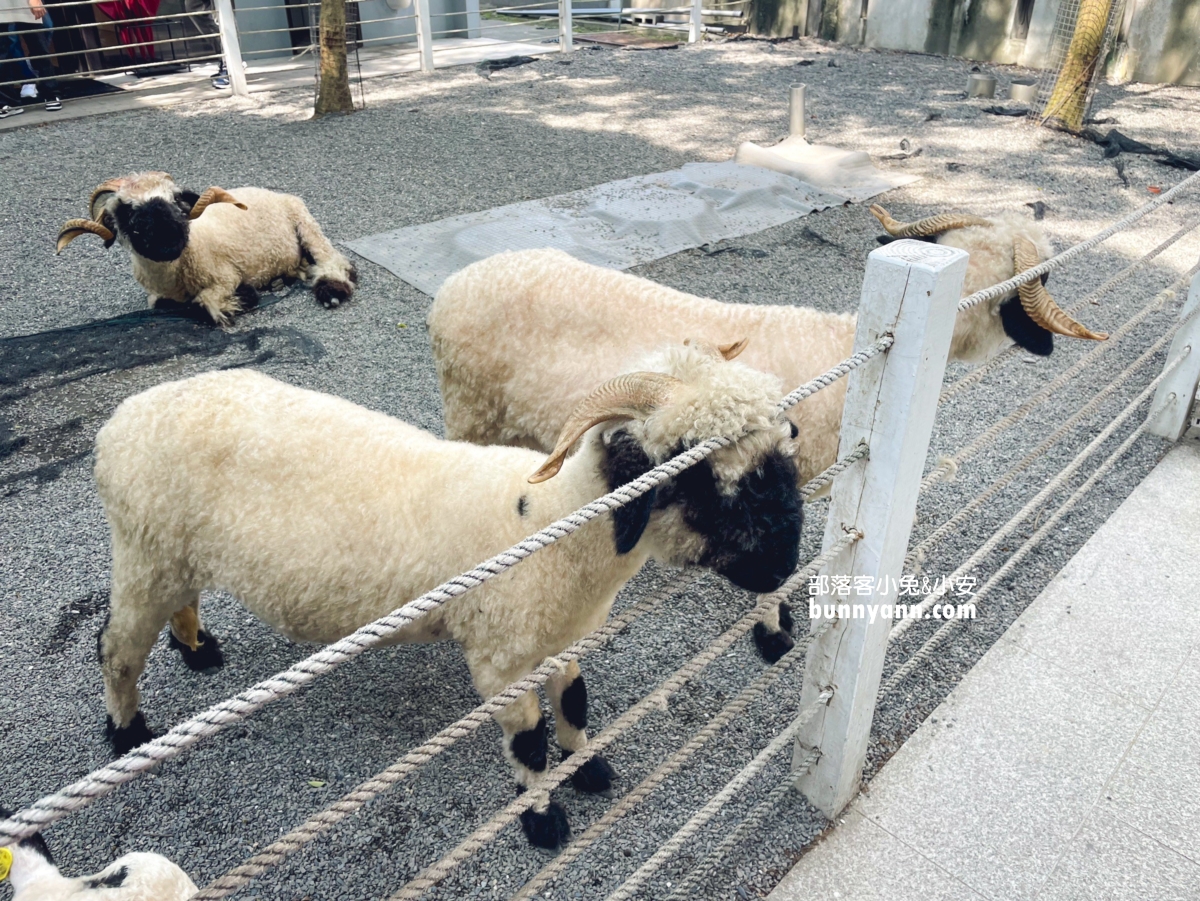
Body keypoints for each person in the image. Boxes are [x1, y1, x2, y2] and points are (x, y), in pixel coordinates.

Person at [0, 0, 61, 111]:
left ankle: (51, 93)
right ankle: (7, 103)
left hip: (24, 4)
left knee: (38, 46)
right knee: (3, 53)